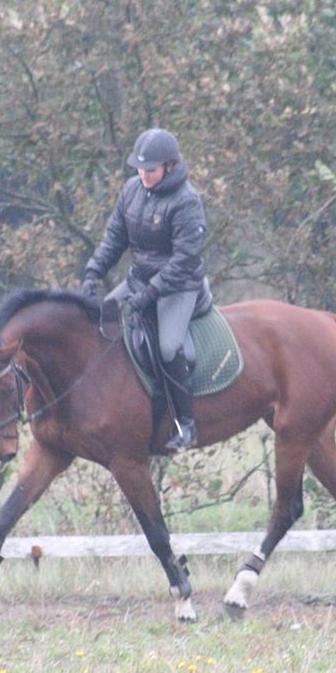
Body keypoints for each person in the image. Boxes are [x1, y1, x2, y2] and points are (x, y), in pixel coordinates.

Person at [81, 128, 211, 452]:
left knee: (168, 347)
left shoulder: (187, 201)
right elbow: (114, 238)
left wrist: (150, 294)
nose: (143, 175)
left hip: (179, 287)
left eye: (149, 170)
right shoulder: (131, 190)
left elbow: (184, 259)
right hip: (138, 281)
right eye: (138, 169)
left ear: (168, 166)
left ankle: (186, 425)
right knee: (100, 328)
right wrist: (92, 272)